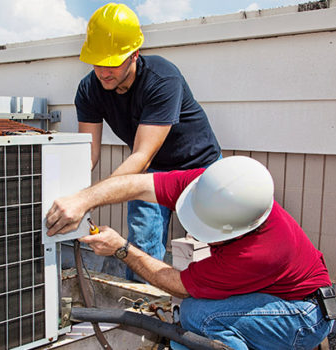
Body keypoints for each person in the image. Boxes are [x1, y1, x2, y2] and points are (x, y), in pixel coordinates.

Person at [46, 156, 336, 350]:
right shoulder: (212, 186)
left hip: (303, 314)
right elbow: (136, 184)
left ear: (237, 230)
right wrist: (82, 200)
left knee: (199, 315)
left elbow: (180, 285)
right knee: (190, 331)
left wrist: (121, 249)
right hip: (279, 294)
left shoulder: (259, 252)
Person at [75, 3, 222, 280]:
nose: (104, 71)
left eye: (114, 62)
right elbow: (89, 153)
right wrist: (72, 193)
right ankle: (142, 314)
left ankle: (210, 310)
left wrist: (88, 199)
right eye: (98, 62)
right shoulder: (89, 89)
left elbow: (142, 155)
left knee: (217, 244)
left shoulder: (162, 78)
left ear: (134, 55)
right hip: (152, 171)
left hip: (200, 167)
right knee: (141, 246)